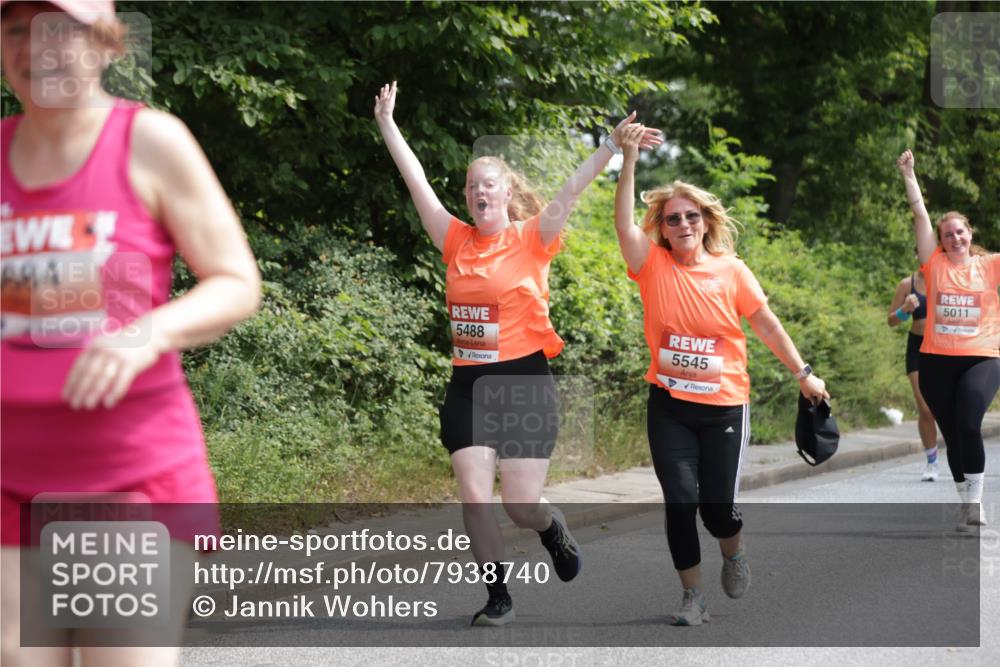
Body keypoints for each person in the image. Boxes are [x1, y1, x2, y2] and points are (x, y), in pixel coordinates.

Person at [1, 1, 261, 664]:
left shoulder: (150, 141)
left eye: (59, 28)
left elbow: (235, 280)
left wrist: (145, 332)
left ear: (107, 44)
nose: (35, 47)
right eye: (14, 29)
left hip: (128, 480)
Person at [374, 81, 660, 626]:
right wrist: (388, 121)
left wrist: (611, 146)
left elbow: (571, 191)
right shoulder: (453, 239)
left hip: (525, 381)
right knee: (475, 496)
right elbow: (414, 182)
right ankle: (498, 595)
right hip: (468, 385)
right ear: (466, 197)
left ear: (506, 195)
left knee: (519, 505)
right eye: (471, 187)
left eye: (489, 186)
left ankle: (551, 528)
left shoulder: (532, 237)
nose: (479, 194)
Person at [614, 123, 829, 626]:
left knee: (716, 511)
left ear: (705, 222)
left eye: (691, 216)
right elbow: (624, 224)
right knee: (678, 502)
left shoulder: (732, 270)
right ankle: (694, 598)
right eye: (673, 218)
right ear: (662, 227)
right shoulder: (652, 265)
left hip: (724, 406)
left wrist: (804, 373)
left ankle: (733, 551)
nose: (683, 223)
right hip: (669, 404)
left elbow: (766, 325)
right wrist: (627, 159)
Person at [897, 149, 999, 531]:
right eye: (947, 234)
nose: (955, 238)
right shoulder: (934, 265)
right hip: (936, 362)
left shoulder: (990, 266)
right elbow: (920, 214)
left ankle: (975, 504)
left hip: (982, 359)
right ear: (939, 241)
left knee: (970, 424)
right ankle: (964, 500)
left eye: (961, 232)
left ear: (970, 234)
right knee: (953, 435)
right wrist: (909, 174)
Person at [887, 264, 939, 480]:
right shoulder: (907, 284)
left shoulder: (947, 280)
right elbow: (891, 321)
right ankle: (932, 462)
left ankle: (962, 455)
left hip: (944, 348)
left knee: (949, 409)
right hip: (917, 348)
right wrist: (905, 310)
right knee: (925, 409)